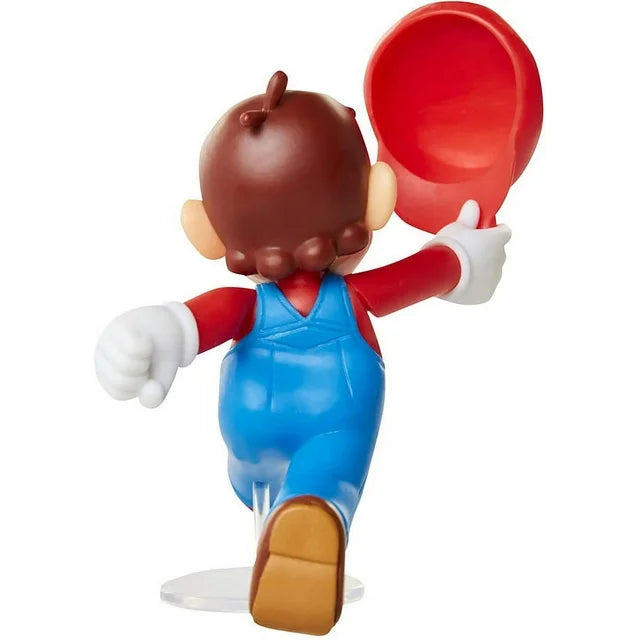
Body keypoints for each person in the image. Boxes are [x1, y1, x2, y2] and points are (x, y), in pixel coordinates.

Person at [95, 71, 511, 635]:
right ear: (377, 198)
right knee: (326, 479)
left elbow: (192, 320)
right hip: (332, 428)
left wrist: (152, 333)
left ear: (207, 230)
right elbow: (437, 270)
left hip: (249, 436)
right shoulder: (355, 298)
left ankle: (299, 526)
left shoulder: (244, 305)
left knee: (284, 481)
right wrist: (467, 253)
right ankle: (313, 520)